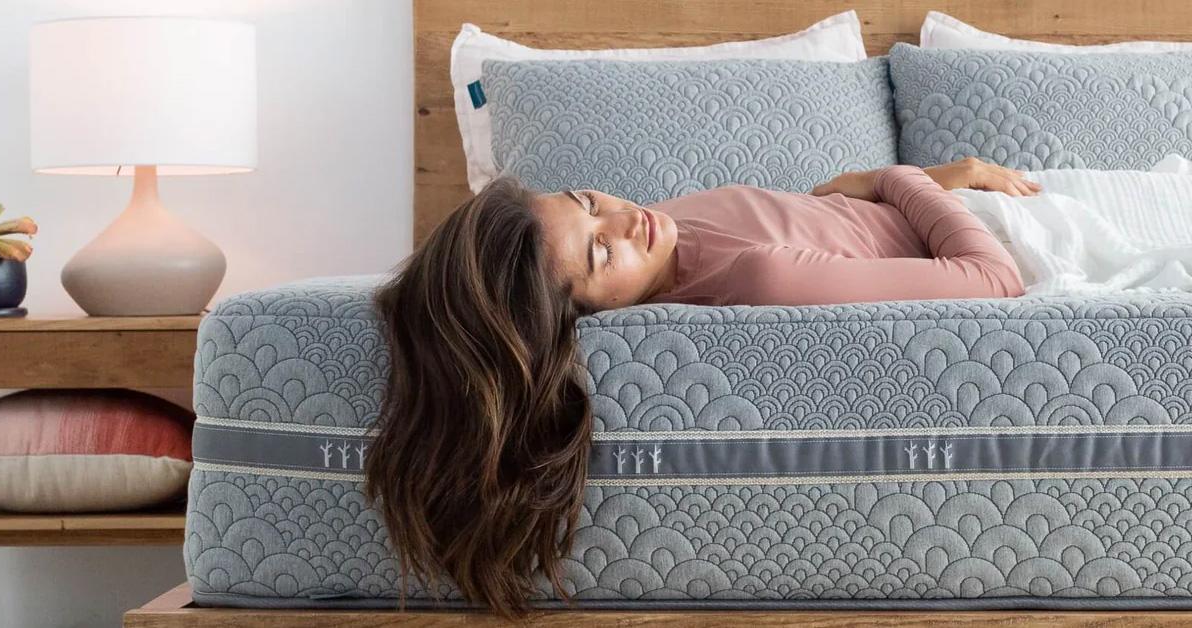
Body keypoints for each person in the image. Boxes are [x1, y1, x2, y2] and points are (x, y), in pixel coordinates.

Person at [364, 157, 1039, 618]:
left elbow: (809, 221)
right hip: (1023, 228)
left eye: (589, 202)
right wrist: (903, 174)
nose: (628, 220)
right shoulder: (757, 279)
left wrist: (880, 185)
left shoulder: (657, 235)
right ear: (589, 316)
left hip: (957, 199)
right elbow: (995, 280)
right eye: (602, 252)